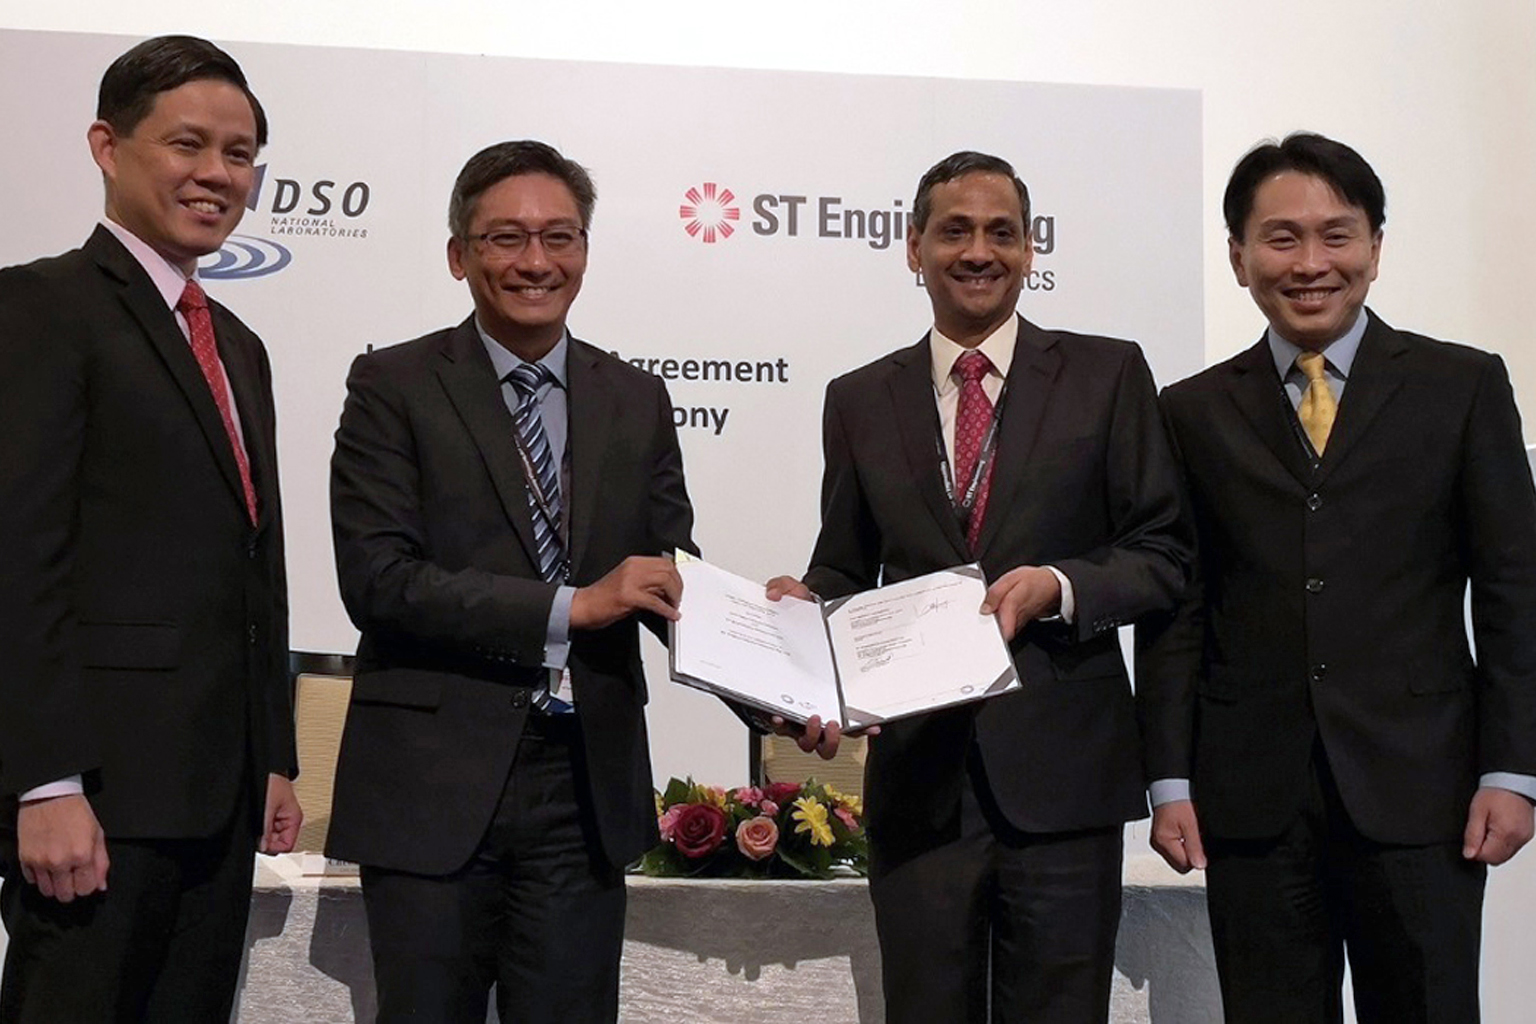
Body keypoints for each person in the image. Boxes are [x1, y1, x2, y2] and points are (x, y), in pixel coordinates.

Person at [766, 150, 1190, 1024]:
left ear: (1031, 250)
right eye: (953, 231)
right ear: (912, 247)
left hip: (1064, 781)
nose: (978, 251)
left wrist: (1059, 586)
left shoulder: (1107, 375)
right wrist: (803, 614)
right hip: (921, 785)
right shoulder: (857, 399)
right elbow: (846, 566)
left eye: (1002, 232)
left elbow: (1163, 553)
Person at [1138, 131, 1536, 1023]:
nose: (1311, 263)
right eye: (1281, 239)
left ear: (1376, 248)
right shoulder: (1192, 409)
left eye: (1337, 235)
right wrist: (1168, 781)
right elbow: (1180, 608)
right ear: (1239, 257)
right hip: (1250, 797)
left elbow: (1515, 593)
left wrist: (1513, 770)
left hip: (1424, 788)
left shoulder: (1462, 385)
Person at [327, 139, 697, 1024]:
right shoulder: (394, 384)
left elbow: (668, 572)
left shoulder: (635, 396)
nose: (537, 262)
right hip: (433, 784)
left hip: (584, 785)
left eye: (560, 238)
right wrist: (575, 606)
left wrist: (780, 667)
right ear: (459, 254)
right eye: (505, 239)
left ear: (585, 251)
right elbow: (378, 581)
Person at [0, 34, 301, 1022]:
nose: (219, 174)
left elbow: (258, 563)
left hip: (215, 801)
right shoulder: (40, 307)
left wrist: (275, 751)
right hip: (97, 798)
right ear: (106, 145)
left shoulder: (241, 347)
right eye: (189, 145)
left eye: (242, 153)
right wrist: (42, 781)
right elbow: (18, 557)